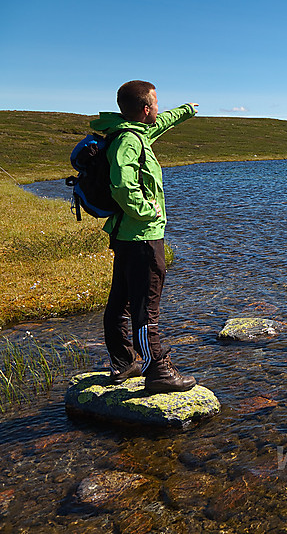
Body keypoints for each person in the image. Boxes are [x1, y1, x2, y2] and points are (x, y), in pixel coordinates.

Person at [90, 80, 198, 393]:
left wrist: (186, 111)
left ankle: (125, 362)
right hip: (142, 236)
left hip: (127, 234)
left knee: (122, 302)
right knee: (146, 309)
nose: (159, 109)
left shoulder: (131, 130)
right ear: (146, 108)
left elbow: (162, 122)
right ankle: (158, 372)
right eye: (156, 103)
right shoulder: (129, 141)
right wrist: (148, 211)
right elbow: (122, 185)